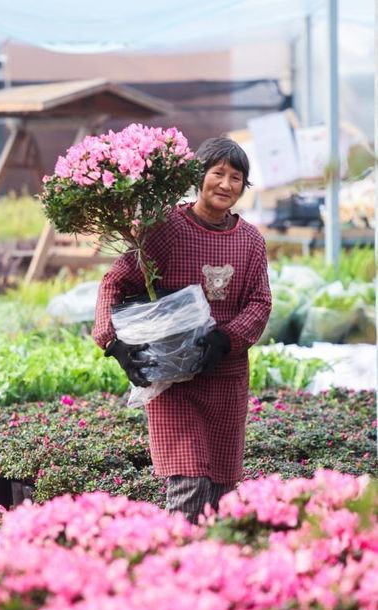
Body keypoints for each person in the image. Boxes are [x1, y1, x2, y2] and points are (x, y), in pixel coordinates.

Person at [92, 136, 272, 523]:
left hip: (226, 377)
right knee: (190, 484)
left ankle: (217, 575)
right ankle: (178, 570)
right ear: (199, 177)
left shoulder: (251, 241)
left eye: (236, 178)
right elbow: (115, 283)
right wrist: (114, 342)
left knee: (222, 494)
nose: (225, 185)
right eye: (217, 174)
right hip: (173, 382)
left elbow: (260, 303)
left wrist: (226, 338)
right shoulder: (166, 228)